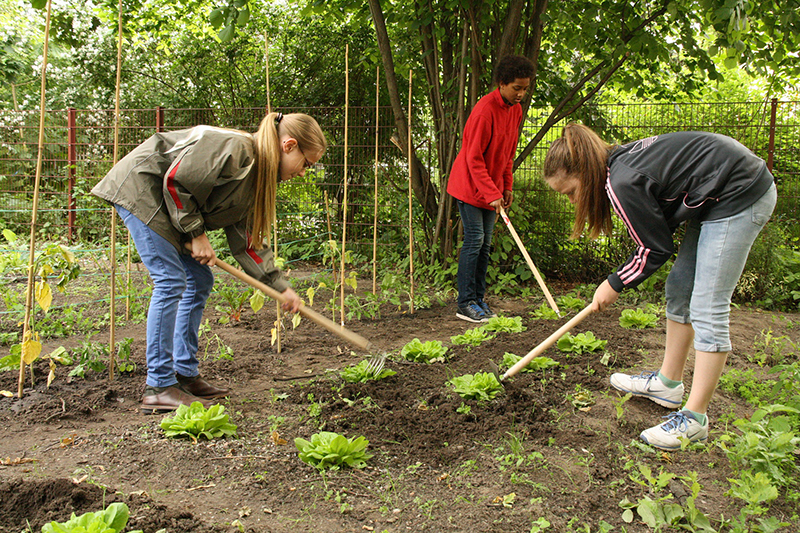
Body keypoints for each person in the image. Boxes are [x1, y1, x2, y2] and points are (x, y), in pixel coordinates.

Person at [543, 123, 776, 450]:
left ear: (587, 172)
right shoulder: (618, 166)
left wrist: (615, 283)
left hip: (739, 193)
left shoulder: (620, 180)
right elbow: (659, 228)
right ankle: (668, 384)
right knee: (680, 288)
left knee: (708, 305)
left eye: (570, 192)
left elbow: (654, 249)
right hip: (715, 195)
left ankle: (695, 420)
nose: (570, 201)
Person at [92, 112, 327, 413]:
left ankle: (184, 375)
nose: (305, 171)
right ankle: (159, 386)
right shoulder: (236, 149)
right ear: (289, 145)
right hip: (143, 192)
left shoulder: (257, 178)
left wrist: (281, 287)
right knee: (171, 280)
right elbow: (176, 183)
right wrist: (197, 234)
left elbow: (247, 243)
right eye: (306, 162)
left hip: (167, 206)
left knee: (199, 280)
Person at [447, 55, 535, 323]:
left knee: (485, 245)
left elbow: (507, 154)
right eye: (516, 88)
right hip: (469, 187)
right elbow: (473, 158)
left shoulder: (515, 110)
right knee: (474, 241)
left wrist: (506, 188)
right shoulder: (484, 111)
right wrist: (491, 192)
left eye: (525, 88)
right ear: (502, 84)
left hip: (491, 190)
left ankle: (479, 300)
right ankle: (465, 303)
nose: (521, 93)